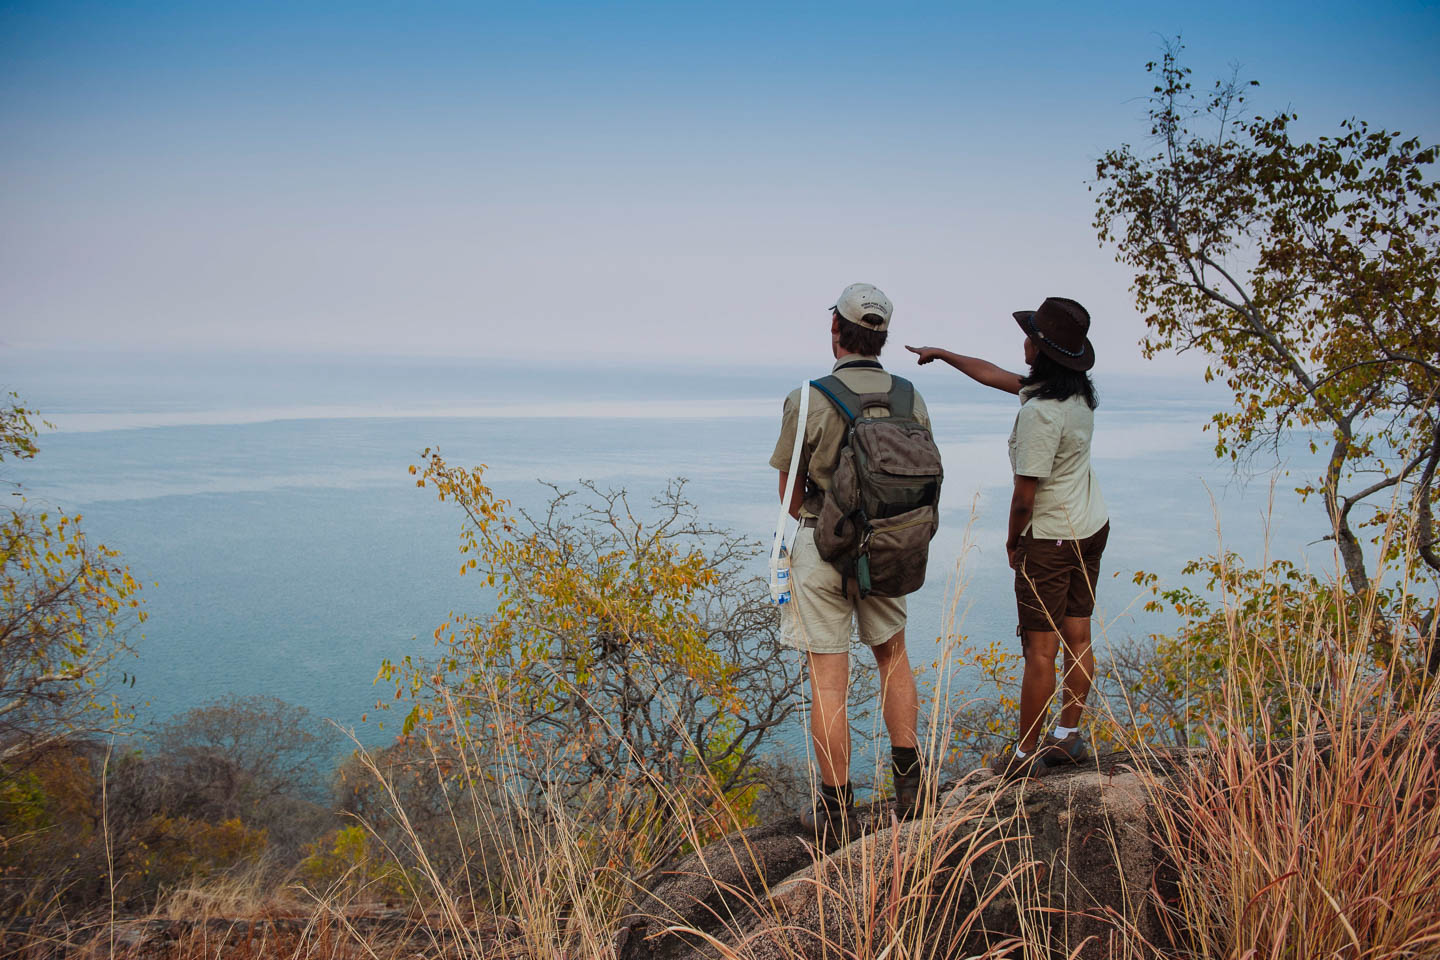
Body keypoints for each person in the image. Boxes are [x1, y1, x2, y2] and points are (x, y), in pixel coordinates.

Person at [906, 296, 1108, 779]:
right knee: (1078, 634)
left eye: (1030, 335)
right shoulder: (1073, 394)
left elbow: (1024, 495)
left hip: (1052, 538)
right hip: (1090, 526)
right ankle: (1067, 738)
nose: (1024, 340)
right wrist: (945, 354)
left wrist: (1014, 542)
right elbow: (995, 375)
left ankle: (1023, 758)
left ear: (1040, 348)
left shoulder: (1040, 413)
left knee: (1041, 650)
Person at [769, 282, 931, 842]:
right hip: (890, 546)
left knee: (829, 684)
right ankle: (912, 789)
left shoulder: (808, 398)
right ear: (882, 337)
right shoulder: (910, 396)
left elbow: (789, 496)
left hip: (823, 547)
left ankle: (837, 813)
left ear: (835, 330)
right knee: (893, 657)